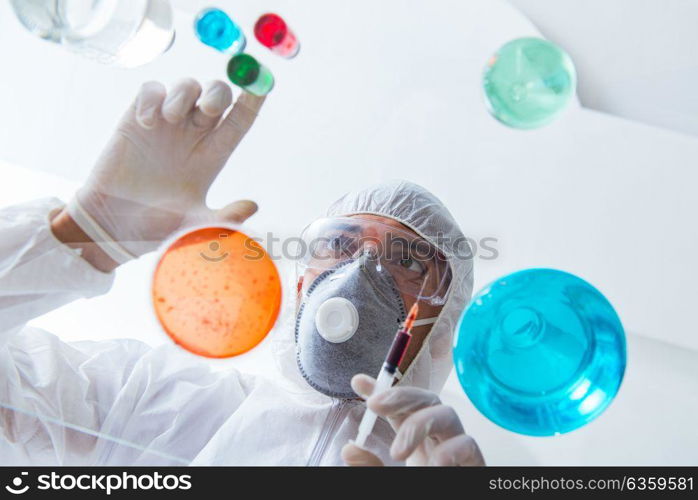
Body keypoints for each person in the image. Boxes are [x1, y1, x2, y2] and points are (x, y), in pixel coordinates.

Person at [0, 79, 484, 466]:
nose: (359, 272)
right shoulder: (155, 404)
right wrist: (80, 236)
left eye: (407, 261)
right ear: (300, 282)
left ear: (442, 331)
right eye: (339, 244)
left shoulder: (437, 467)